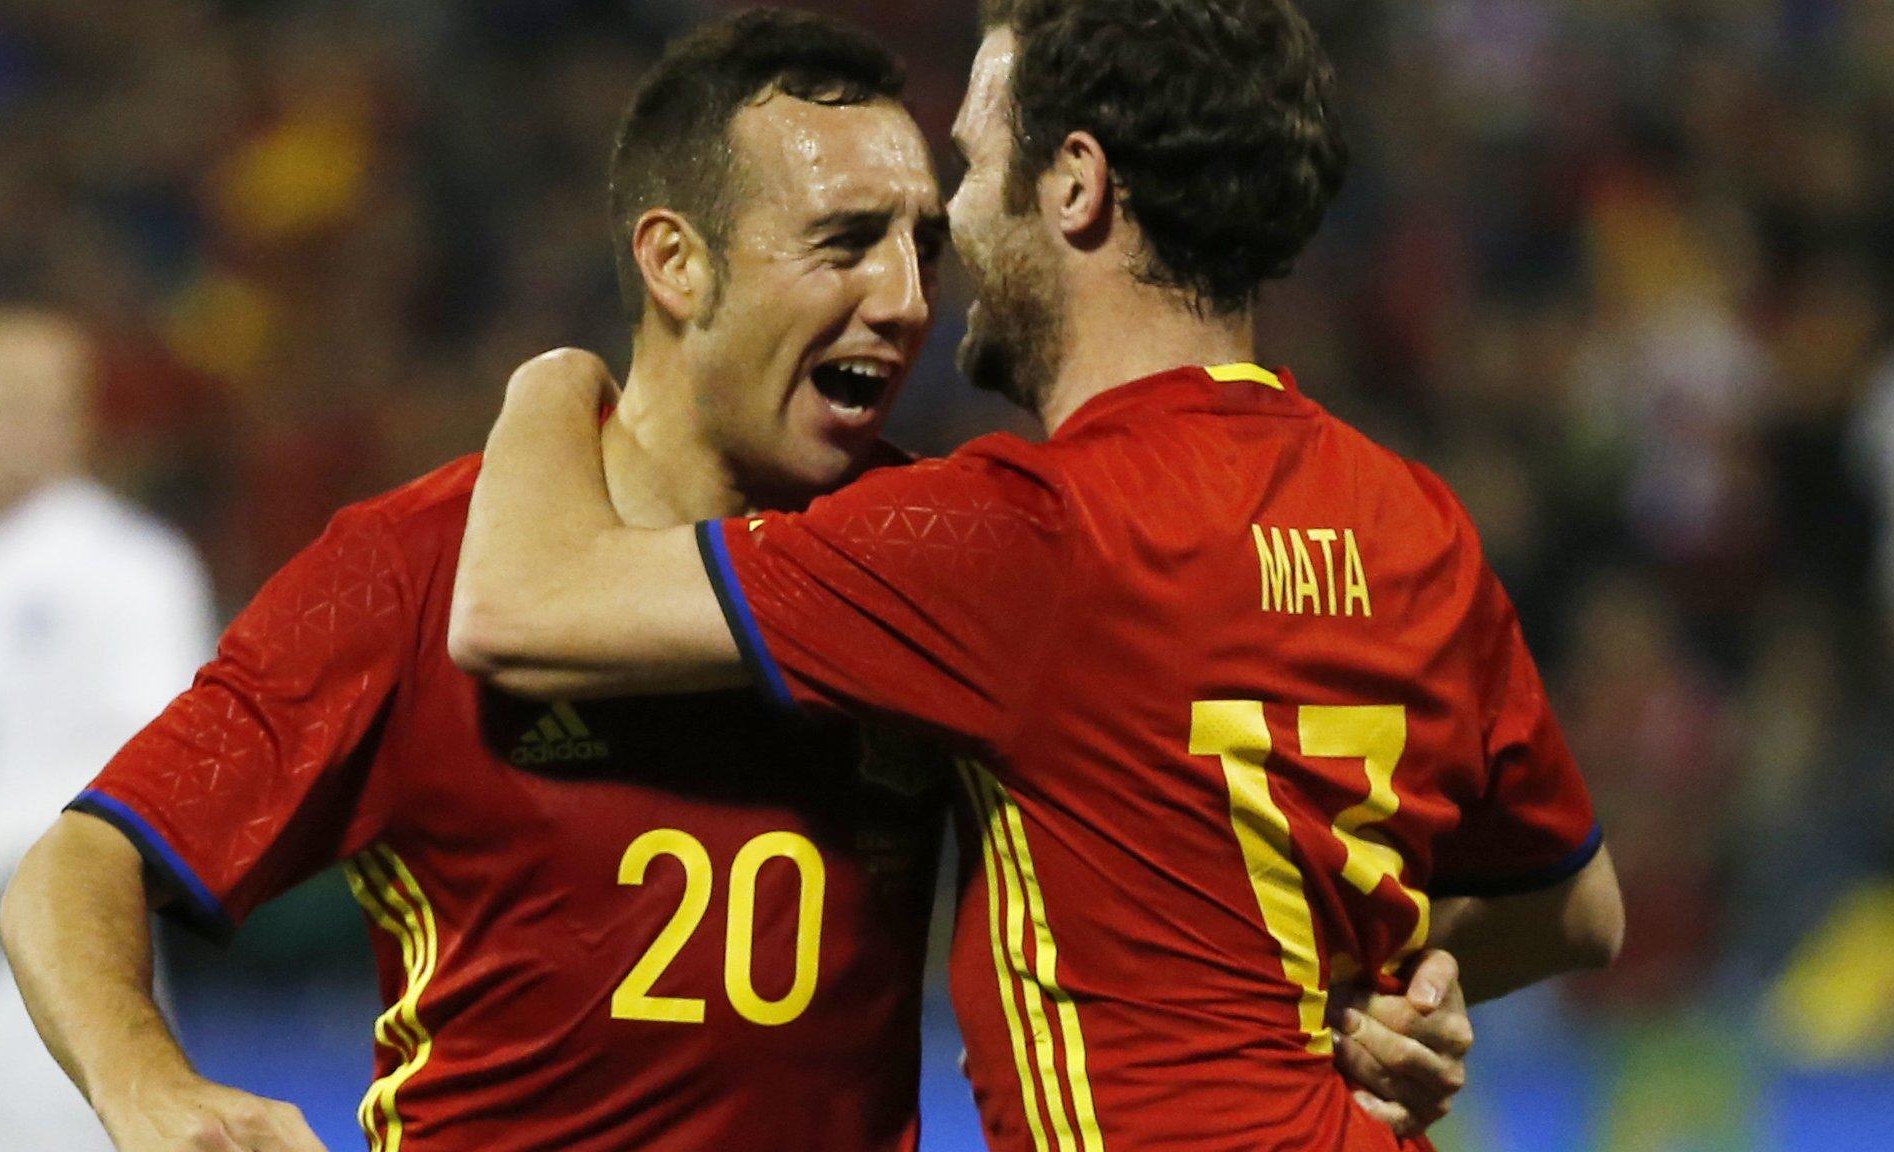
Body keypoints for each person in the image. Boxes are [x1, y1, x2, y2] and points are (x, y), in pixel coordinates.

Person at [2, 9, 1469, 1152]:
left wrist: (1374, 997)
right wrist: (144, 1081)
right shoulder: (408, 570)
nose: (902, 299)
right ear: (676, 264)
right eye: (842, 244)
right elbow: (80, 865)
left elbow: (1206, 822)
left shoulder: (951, 552)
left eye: (918, 242)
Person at [447, 1, 1625, 1149]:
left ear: (1073, 184)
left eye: (969, 161)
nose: (949, 220)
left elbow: (520, 605)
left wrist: (555, 375)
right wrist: (1375, 998)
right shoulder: (1412, 523)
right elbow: (1577, 909)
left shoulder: (1024, 536)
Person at [0, 306, 215, 1152]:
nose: (21, 423)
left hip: (54, 968)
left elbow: (150, 771)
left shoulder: (135, 568)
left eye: (47, 400)